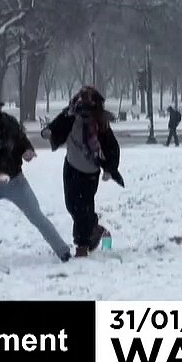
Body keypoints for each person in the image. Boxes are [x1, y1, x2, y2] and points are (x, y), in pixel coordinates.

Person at [0, 97, 72, 267]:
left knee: (36, 215)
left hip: (15, 180)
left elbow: (21, 140)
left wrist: (27, 151)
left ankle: (63, 252)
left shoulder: (7, 123)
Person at [45, 86, 124, 257]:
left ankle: (81, 246)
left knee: (83, 207)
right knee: (71, 205)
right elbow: (57, 126)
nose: (85, 114)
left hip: (90, 171)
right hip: (71, 166)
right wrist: (49, 132)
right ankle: (94, 227)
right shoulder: (70, 115)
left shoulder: (100, 124)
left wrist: (110, 169)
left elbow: (112, 147)